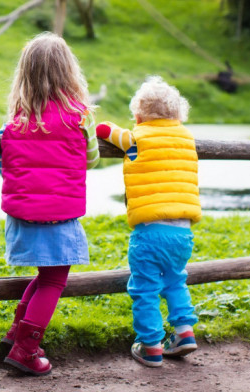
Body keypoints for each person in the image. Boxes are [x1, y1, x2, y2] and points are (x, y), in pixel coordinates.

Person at [0, 32, 99, 376]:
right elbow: (91, 160)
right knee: (54, 280)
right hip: (59, 216)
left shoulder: (12, 123)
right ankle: (26, 349)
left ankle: (16, 334)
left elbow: (2, 164)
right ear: (69, 72)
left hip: (23, 216)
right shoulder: (80, 119)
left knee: (46, 274)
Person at [95, 75, 200, 368]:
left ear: (139, 116)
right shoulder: (187, 138)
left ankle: (151, 345)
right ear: (178, 114)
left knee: (145, 288)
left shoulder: (135, 138)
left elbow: (103, 129)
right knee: (175, 280)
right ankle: (184, 333)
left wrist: (118, 127)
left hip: (150, 232)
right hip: (183, 232)